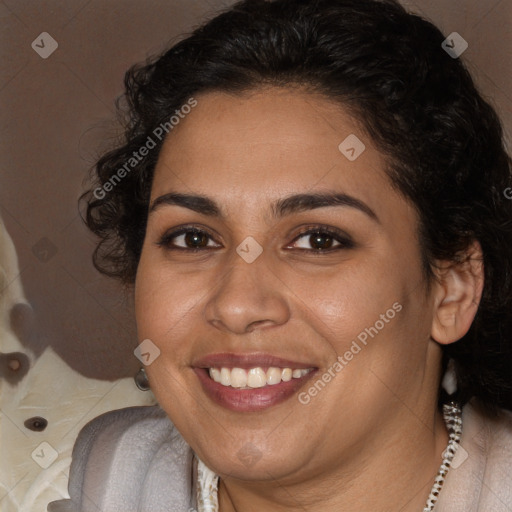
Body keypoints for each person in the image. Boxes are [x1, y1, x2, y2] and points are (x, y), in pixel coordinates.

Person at [48, 0, 512, 510]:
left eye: (318, 240)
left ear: (452, 287)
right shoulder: (114, 475)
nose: (238, 306)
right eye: (193, 238)